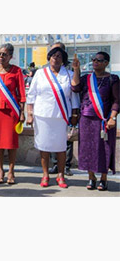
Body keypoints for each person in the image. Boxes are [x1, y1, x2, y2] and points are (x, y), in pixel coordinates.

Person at [26, 46, 80, 188]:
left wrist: (75, 113)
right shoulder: (40, 73)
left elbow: (74, 95)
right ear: (49, 58)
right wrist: (29, 113)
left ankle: (60, 175)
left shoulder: (68, 74)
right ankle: (45, 175)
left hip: (61, 116)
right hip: (43, 115)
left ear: (63, 60)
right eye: (53, 55)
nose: (56, 58)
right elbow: (31, 94)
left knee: (61, 147)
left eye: (59, 56)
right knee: (44, 146)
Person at [71, 52, 119, 191]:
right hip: (86, 119)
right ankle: (91, 177)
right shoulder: (87, 78)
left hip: (104, 120)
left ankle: (103, 178)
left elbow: (117, 100)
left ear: (106, 63)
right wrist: (76, 69)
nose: (95, 62)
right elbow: (75, 88)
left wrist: (113, 118)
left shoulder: (113, 79)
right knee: (87, 149)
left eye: (99, 60)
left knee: (105, 148)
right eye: (94, 60)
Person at [0, 43, 26, 184]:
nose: (1, 57)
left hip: (11, 111)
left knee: (11, 142)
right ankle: (0, 170)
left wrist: (21, 112)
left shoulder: (17, 71)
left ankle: (11, 170)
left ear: (10, 56)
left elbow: (21, 93)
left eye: (5, 54)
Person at [48, 42, 74, 176]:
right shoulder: (46, 70)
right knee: (52, 138)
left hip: (65, 110)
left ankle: (66, 166)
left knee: (66, 140)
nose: (55, 56)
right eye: (53, 52)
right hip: (51, 112)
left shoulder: (70, 69)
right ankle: (55, 164)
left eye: (58, 52)